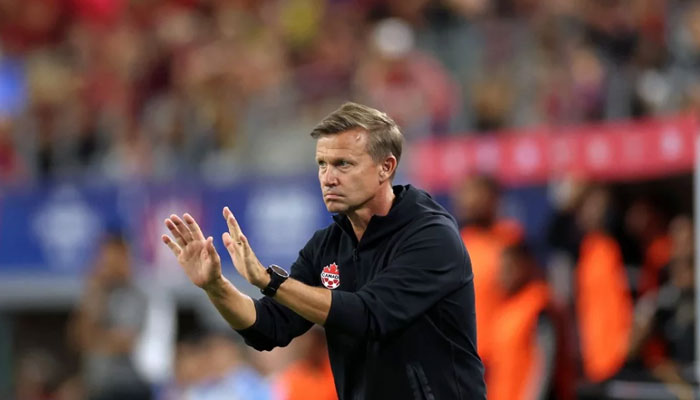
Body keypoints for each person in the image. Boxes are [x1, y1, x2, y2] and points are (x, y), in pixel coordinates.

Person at [162, 102, 486, 399]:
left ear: (386, 167)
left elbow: (369, 315)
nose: (328, 178)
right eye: (322, 164)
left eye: (343, 164)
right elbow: (267, 327)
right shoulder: (327, 246)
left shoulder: (431, 236)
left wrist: (270, 281)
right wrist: (215, 286)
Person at [68, 233, 151, 400]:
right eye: (106, 257)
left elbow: (124, 342)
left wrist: (92, 340)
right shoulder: (95, 291)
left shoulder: (135, 294)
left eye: (116, 256)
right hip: (96, 385)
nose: (109, 263)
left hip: (128, 387)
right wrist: (95, 293)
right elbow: (77, 339)